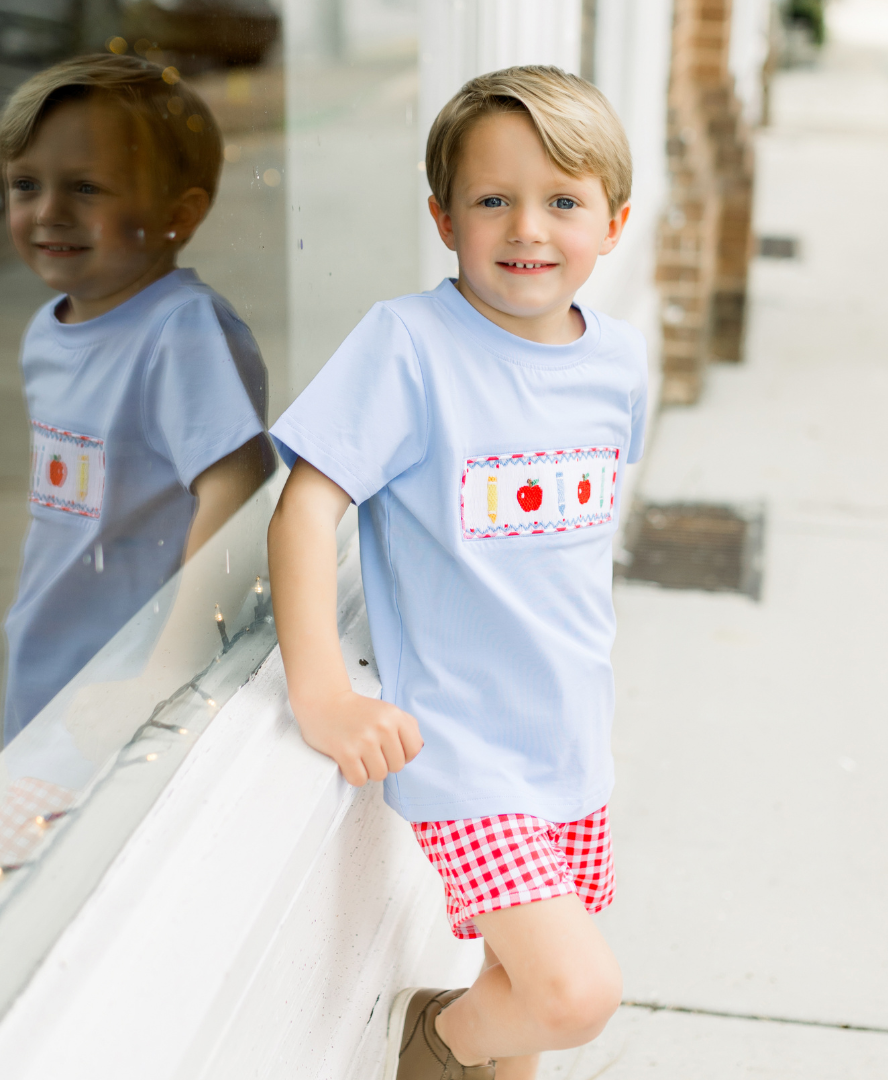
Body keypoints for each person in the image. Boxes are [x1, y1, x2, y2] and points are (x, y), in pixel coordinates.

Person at [267, 66, 646, 1080]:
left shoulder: (616, 364)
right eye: (493, 201)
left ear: (612, 222)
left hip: (567, 732)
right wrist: (323, 692)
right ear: (444, 218)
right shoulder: (409, 346)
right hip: (462, 743)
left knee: (519, 988)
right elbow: (307, 506)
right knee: (574, 993)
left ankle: (473, 1048)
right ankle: (437, 1041)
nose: (528, 228)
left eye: (562, 202)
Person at [0, 54, 273, 744]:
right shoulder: (49, 328)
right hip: (49, 661)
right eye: (26, 184)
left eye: (86, 188)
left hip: (126, 684)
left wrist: (166, 670)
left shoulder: (181, 330)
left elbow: (239, 486)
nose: (49, 212)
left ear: (178, 215)